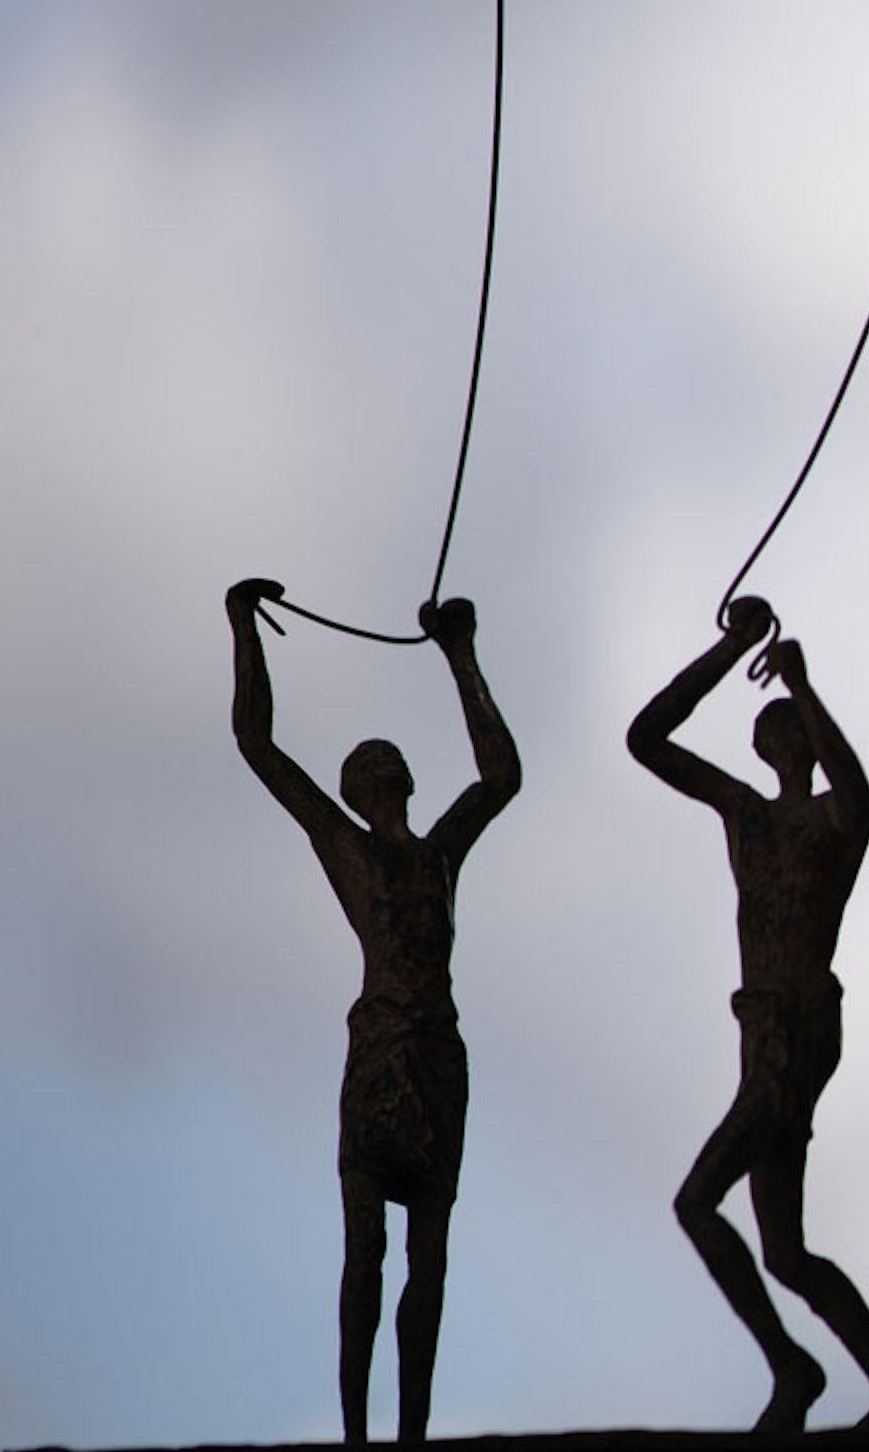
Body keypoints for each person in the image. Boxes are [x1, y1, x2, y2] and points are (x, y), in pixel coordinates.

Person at [628, 593, 869, 1438]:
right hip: (763, 1031)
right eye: (775, 735)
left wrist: (805, 682)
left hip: (795, 1031)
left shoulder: (833, 820)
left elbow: (862, 794)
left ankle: (793, 1368)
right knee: (786, 1251)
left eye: (791, 733)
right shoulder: (745, 815)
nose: (781, 745)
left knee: (697, 1202)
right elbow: (646, 740)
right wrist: (734, 648)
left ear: (804, 744)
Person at [227, 580, 521, 1444]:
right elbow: (258, 745)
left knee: (428, 1258)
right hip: (382, 1055)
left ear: (405, 782)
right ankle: (358, 1434)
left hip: (437, 1059)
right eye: (368, 767)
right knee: (368, 1255)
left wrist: (459, 653)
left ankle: (411, 1436)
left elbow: (502, 776)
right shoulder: (344, 845)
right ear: (358, 792)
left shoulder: (439, 854)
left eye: (389, 763)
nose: (382, 771)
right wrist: (244, 629)